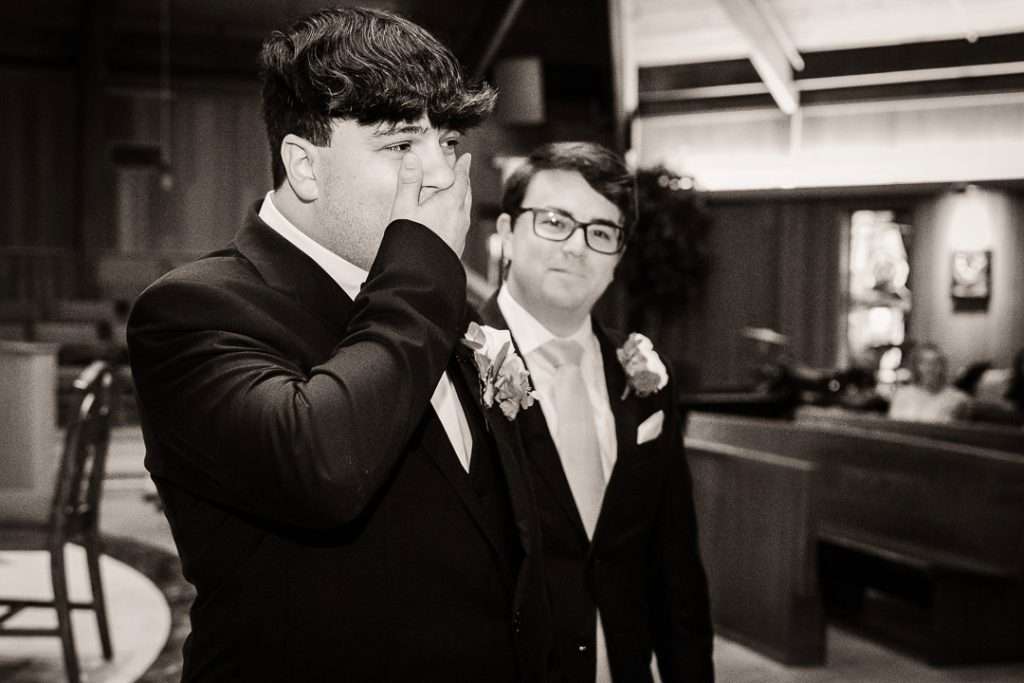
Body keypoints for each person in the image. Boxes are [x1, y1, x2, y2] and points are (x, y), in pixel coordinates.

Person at [127, 8, 552, 681]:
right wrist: (422, 271)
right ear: (304, 166)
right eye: (400, 145)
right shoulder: (194, 309)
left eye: (445, 142)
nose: (440, 174)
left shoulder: (442, 302)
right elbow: (322, 466)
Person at [479, 142, 714, 683]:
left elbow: (673, 561)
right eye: (555, 222)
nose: (577, 247)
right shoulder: (454, 366)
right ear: (509, 233)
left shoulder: (647, 380)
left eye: (600, 232)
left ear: (617, 256)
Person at [888, 342, 969, 423]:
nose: (930, 368)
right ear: (916, 366)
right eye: (925, 363)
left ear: (943, 366)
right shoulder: (901, 394)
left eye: (936, 363)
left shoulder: (957, 399)